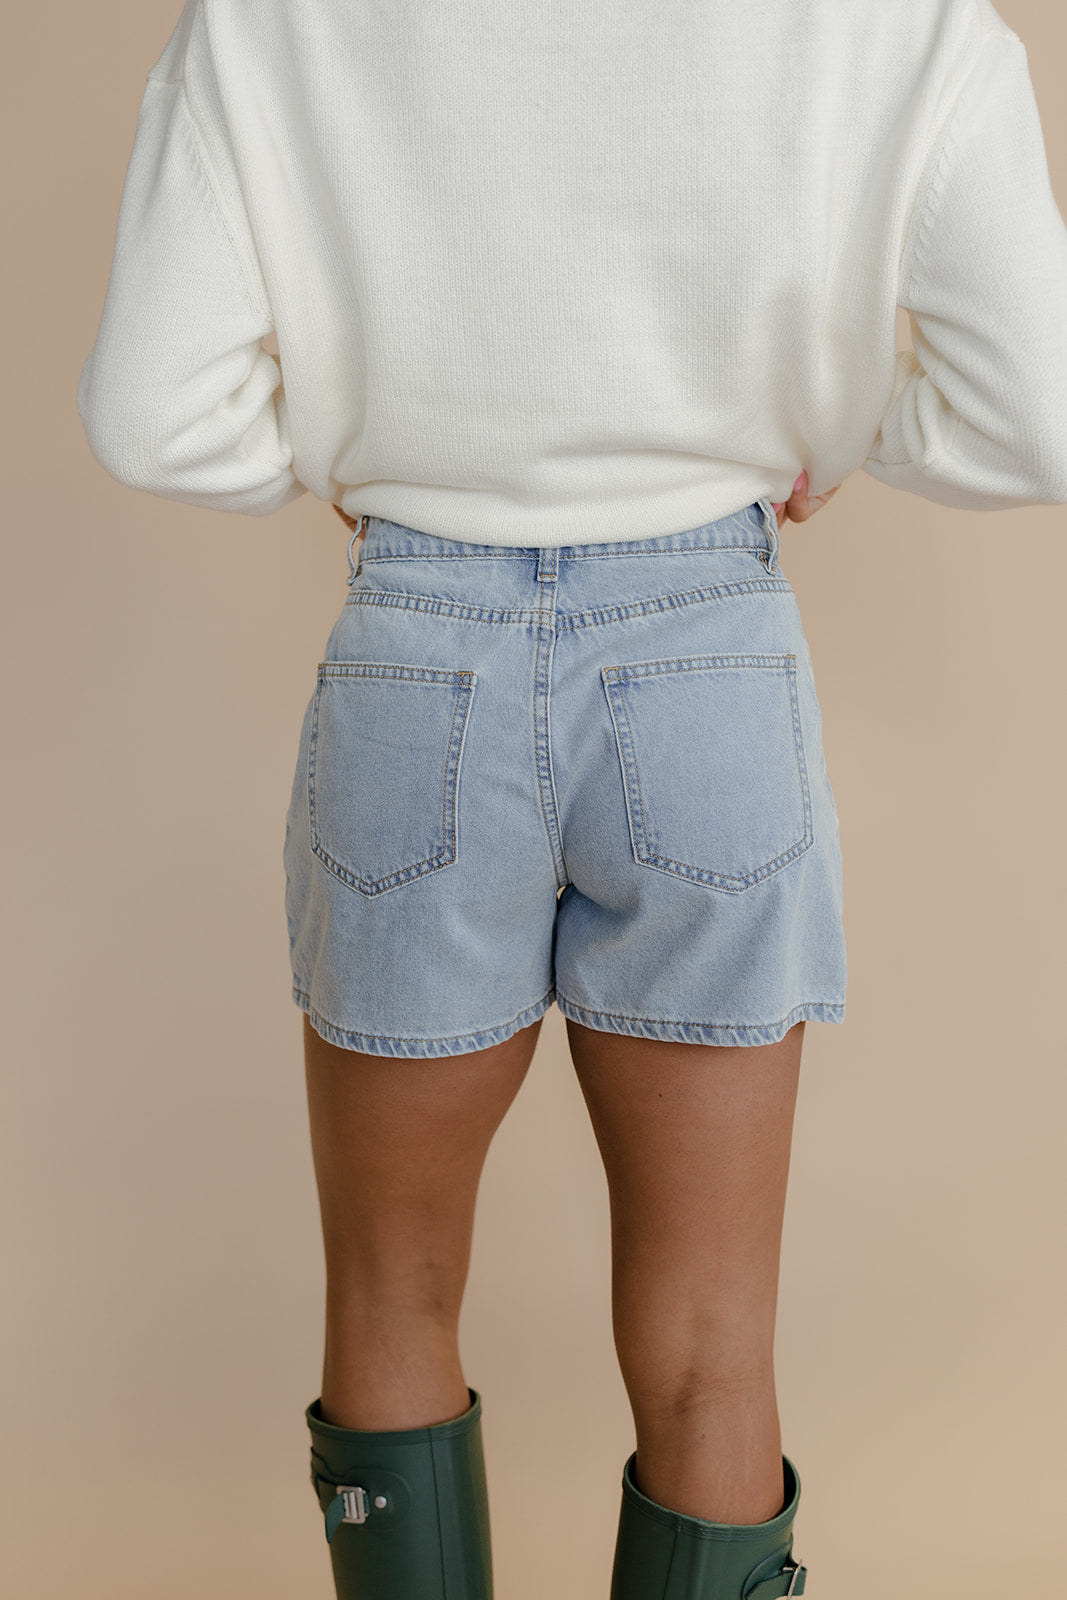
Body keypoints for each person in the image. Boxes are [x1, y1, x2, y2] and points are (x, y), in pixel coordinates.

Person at [75, 2, 1067, 1597]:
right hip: (711, 671)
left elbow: (147, 406)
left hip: (419, 655)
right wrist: (835, 428)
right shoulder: (902, 22)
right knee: (710, 1352)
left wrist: (350, 448)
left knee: (391, 1297)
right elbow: (1043, 407)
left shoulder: (273, 22)